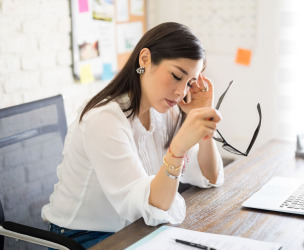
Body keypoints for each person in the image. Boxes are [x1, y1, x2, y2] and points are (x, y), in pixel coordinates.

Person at [41, 22, 224, 249]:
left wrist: (203, 117)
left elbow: (210, 176)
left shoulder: (164, 111)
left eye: (190, 83)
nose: (181, 92)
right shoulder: (104, 118)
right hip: (82, 239)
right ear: (145, 60)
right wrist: (177, 150)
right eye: (177, 76)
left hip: (133, 229)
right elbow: (154, 206)